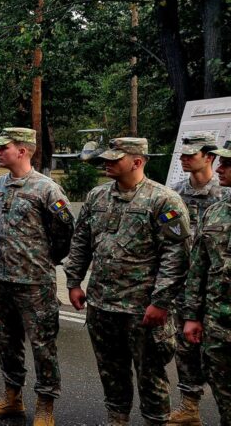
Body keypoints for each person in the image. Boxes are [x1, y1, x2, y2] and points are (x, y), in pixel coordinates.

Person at [65, 137, 191, 426]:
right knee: (111, 372)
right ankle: (117, 420)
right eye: (107, 157)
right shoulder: (97, 196)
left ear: (137, 161)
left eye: (115, 158)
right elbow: (81, 241)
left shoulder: (163, 200)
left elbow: (177, 255)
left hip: (142, 309)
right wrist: (74, 282)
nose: (107, 162)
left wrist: (160, 302)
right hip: (102, 305)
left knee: (151, 375)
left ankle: (155, 421)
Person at [0, 128, 73, 426]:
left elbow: (64, 233)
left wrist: (46, 260)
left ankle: (45, 406)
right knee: (7, 343)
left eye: (3, 148)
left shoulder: (47, 189)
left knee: (43, 346)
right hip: (2, 279)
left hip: (34, 283)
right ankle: (12, 398)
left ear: (22, 150)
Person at [170, 131, 227, 425]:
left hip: (220, 286)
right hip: (186, 283)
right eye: (183, 154)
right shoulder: (176, 193)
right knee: (186, 346)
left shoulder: (225, 194)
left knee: (221, 356)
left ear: (209, 157)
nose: (185, 159)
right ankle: (190, 406)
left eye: (192, 154)